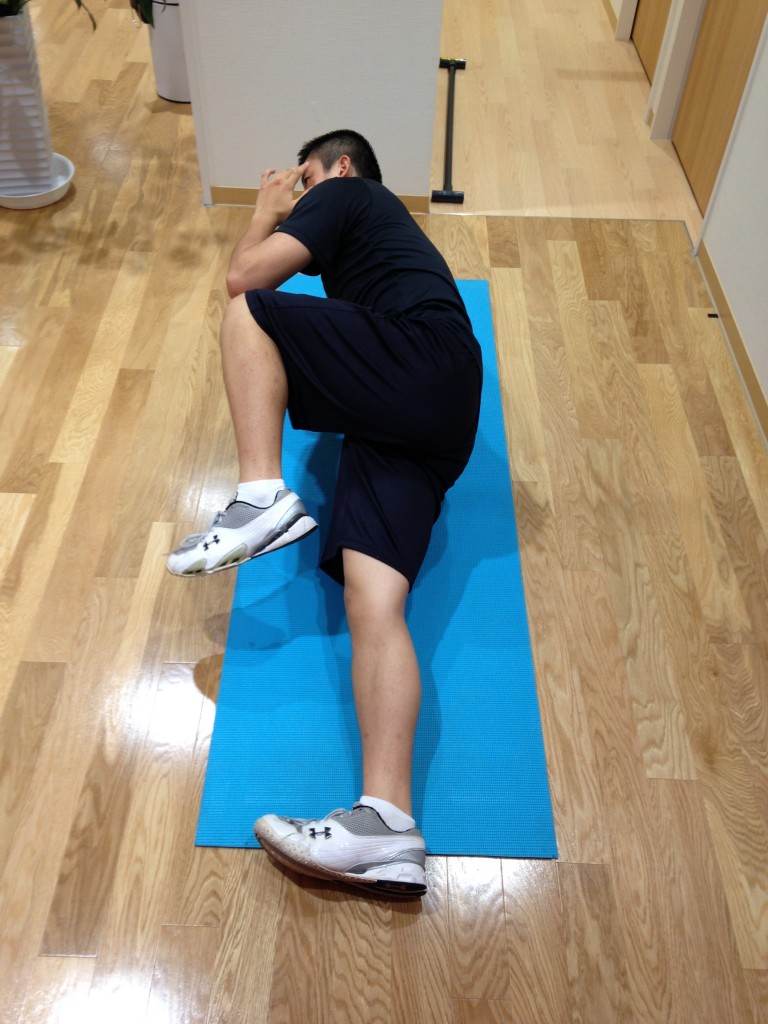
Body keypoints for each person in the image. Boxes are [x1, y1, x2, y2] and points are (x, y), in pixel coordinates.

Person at [168, 130, 482, 898]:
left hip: (424, 358)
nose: (297, 192)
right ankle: (387, 825)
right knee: (374, 603)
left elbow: (244, 278)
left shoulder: (350, 191)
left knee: (252, 314)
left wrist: (263, 211)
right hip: (428, 414)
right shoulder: (370, 249)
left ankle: (261, 497)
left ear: (340, 168)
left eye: (302, 178)